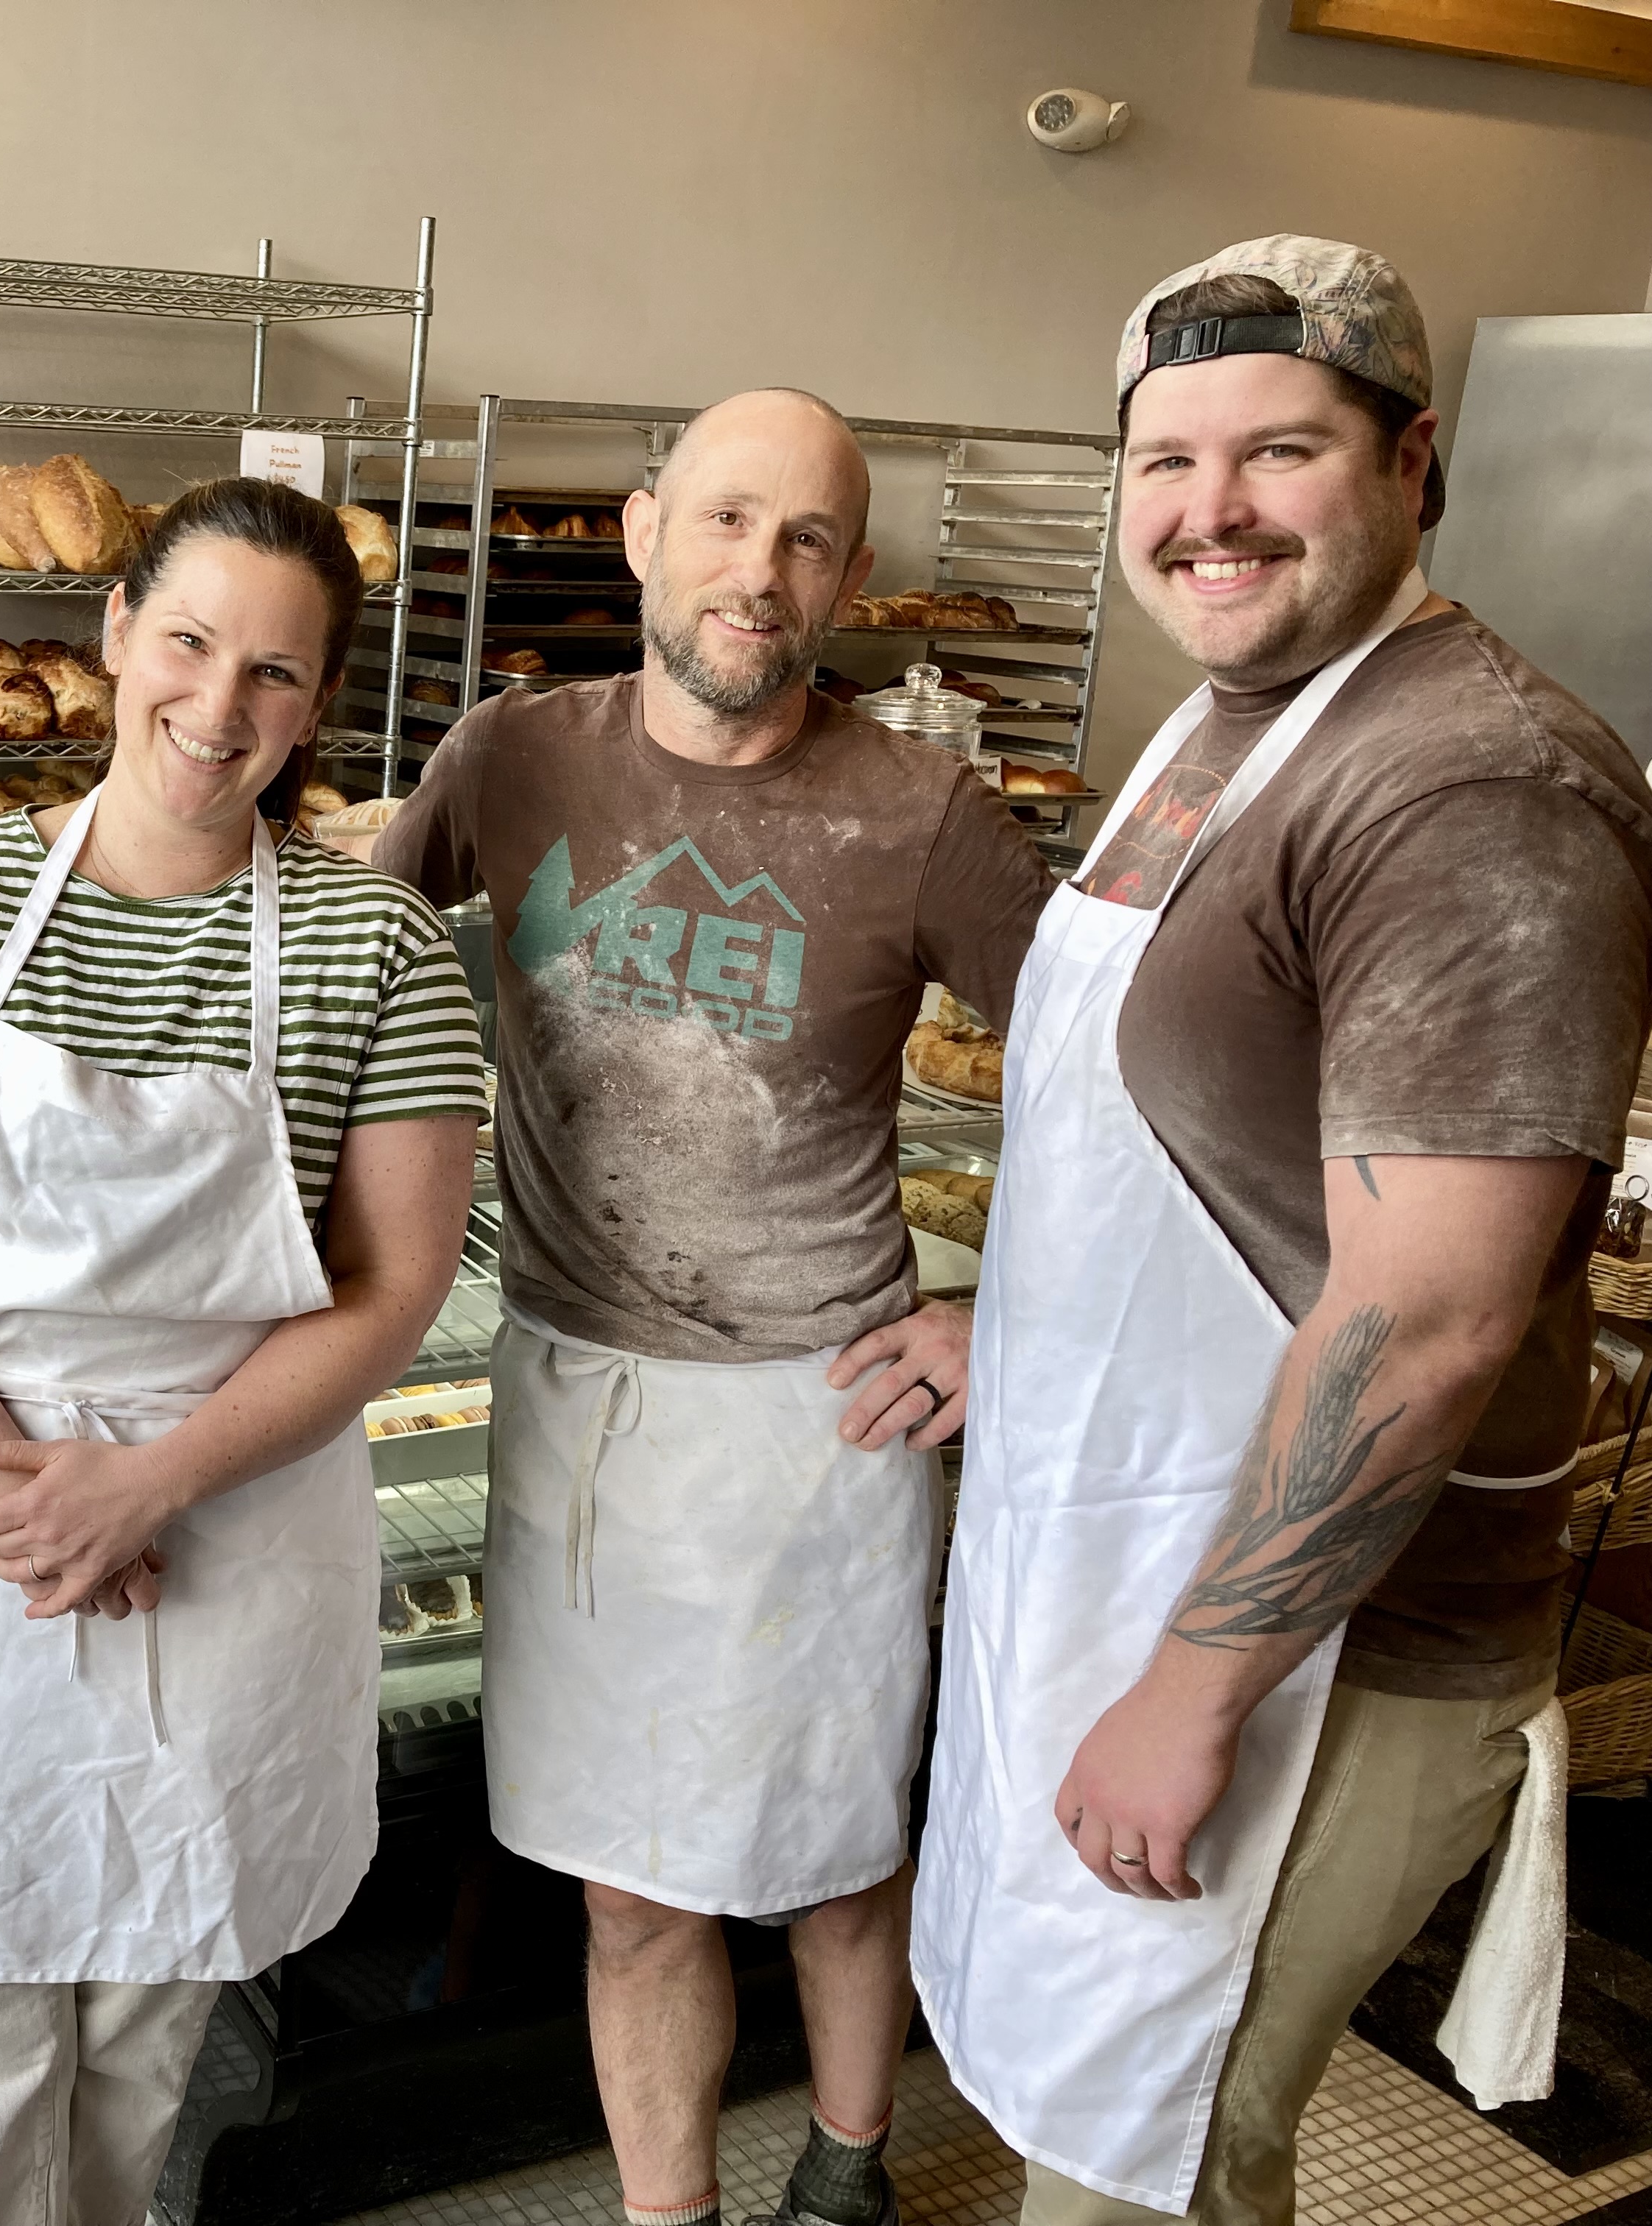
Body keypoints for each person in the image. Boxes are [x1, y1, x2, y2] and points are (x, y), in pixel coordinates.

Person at [912, 237, 1652, 2226]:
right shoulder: (1240, 718)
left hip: (1335, 1650)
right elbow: (1189, 1146)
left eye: (1280, 452)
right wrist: (1022, 1326)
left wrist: (1195, 1690)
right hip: (1151, 1541)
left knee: (1155, 2156)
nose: (1208, 512)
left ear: (1418, 463)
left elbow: (1425, 1315)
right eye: (1166, 461)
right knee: (1093, 2117)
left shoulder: (1471, 779)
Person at [375, 389, 1054, 2226]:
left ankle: (850, 2163)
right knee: (627, 1883)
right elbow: (344, 952)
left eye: (811, 539)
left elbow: (1123, 1080)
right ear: (644, 528)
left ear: (844, 583)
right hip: (579, 1397)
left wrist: (1010, 1320)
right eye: (732, 522)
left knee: (834, 1854)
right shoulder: (512, 757)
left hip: (815, 1417)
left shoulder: (922, 814)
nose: (762, 572)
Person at [0, 476, 488, 2226]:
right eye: (187, 641)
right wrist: (22, 1501)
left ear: (320, 704)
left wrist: (153, 1481)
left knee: (141, 2020)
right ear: (111, 635)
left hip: (221, 1526)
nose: (218, 704)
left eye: (275, 672)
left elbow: (388, 1291)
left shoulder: (373, 945)